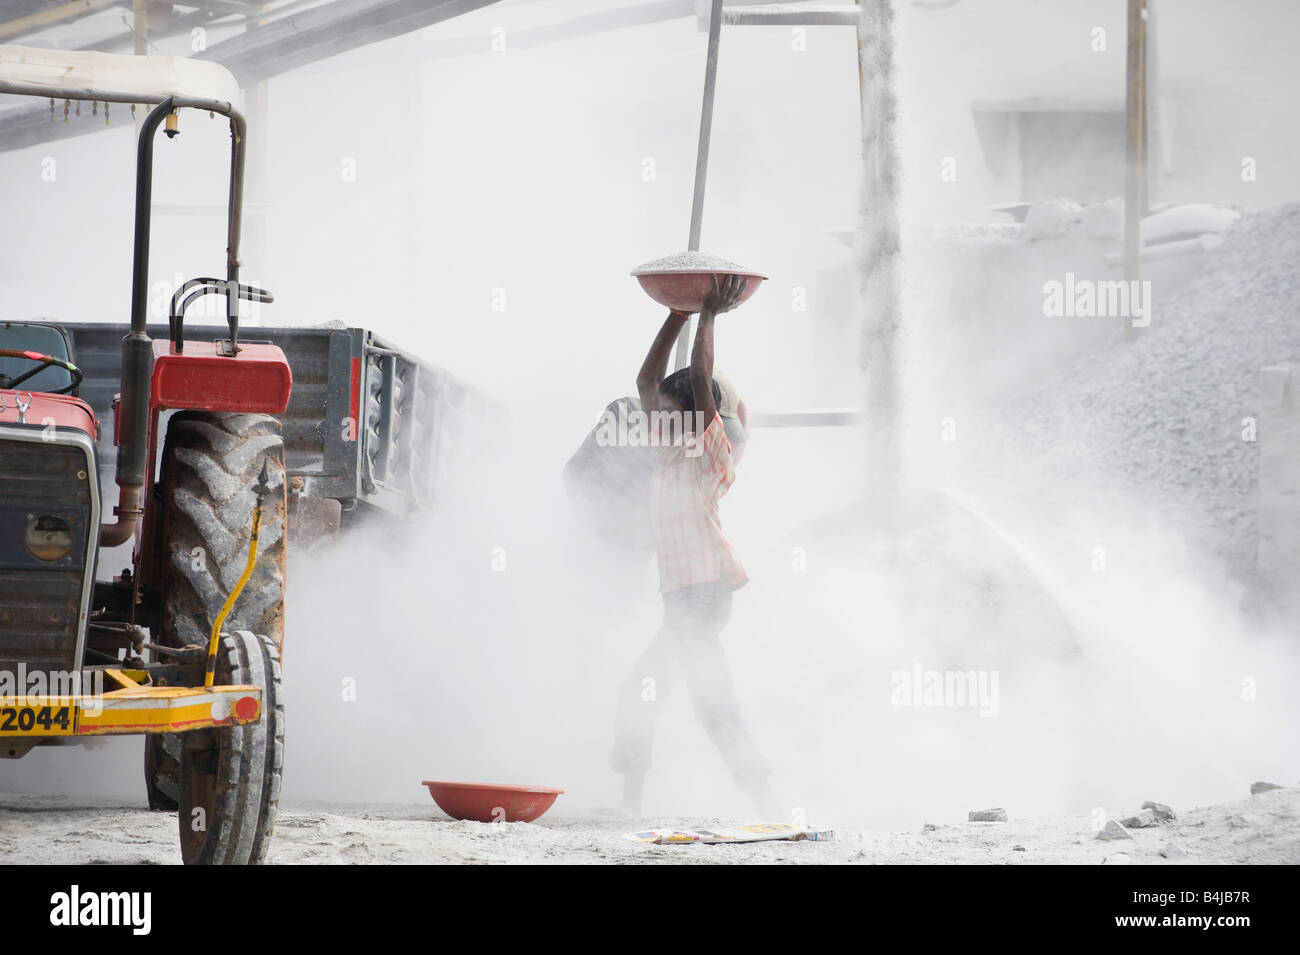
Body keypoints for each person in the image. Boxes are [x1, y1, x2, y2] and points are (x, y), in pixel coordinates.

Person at [609, 275, 773, 816]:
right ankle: (763, 795)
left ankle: (634, 803)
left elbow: (701, 376)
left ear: (700, 414)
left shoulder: (709, 453)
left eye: (673, 408)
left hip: (705, 593)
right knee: (708, 701)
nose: (661, 412)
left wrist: (707, 313)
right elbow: (644, 379)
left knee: (644, 692)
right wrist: (675, 312)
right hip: (687, 597)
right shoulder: (670, 451)